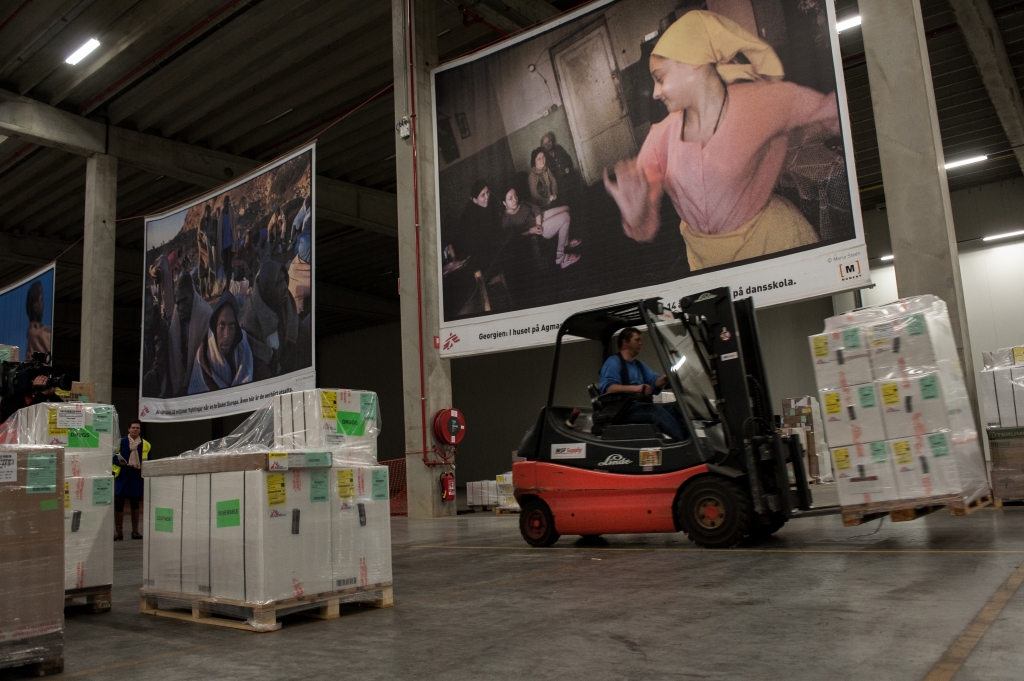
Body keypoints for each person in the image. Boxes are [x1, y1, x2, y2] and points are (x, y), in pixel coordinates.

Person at [602, 10, 839, 271]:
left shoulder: (762, 102)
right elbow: (645, 229)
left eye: (660, 78)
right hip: (706, 261)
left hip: (774, 246)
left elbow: (831, 112)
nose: (656, 93)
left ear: (693, 62)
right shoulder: (660, 136)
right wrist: (636, 215)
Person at [598, 327, 688, 442]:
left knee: (677, 407)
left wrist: (665, 378)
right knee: (654, 410)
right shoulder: (613, 362)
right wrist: (637, 389)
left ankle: (690, 438)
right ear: (625, 341)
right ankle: (684, 442)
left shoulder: (639, 365)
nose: (641, 343)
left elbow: (654, 381)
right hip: (623, 411)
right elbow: (609, 388)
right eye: (637, 340)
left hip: (640, 407)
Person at [240, 260, 299, 381]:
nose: (285, 287)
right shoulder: (251, 319)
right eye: (279, 283)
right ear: (268, 287)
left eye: (284, 280)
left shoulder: (287, 305)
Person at [189, 293, 254, 393]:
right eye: (221, 325)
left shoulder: (244, 348)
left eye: (232, 326)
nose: (226, 335)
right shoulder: (203, 358)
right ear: (214, 327)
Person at [501, 188, 580, 269]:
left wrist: (538, 223)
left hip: (540, 218)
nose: (515, 200)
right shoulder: (506, 221)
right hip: (539, 230)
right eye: (510, 198)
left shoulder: (520, 202)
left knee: (567, 208)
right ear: (504, 203)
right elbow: (516, 236)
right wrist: (530, 231)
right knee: (566, 216)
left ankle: (565, 244)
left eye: (515, 195)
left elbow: (535, 207)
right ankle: (560, 256)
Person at [167, 272, 213, 397]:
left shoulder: (206, 315)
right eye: (178, 303)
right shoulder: (175, 322)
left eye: (185, 300)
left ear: (193, 295)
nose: (181, 308)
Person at [113, 420, 149, 541]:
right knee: (118, 502)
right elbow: (112, 457)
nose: (135, 430)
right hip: (123, 476)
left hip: (136, 476)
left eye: (137, 428)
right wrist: (118, 462)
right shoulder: (120, 442)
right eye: (133, 427)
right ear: (128, 429)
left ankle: (135, 531)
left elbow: (148, 461)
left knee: (135, 504)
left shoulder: (146, 444)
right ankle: (119, 532)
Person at [25, 281, 51, 355]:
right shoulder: (36, 335)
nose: (43, 305)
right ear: (35, 305)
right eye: (41, 300)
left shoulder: (33, 334)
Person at [220, 196, 235, 287]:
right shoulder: (222, 215)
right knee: (225, 265)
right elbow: (220, 231)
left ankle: (227, 285)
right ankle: (226, 284)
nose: (226, 204)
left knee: (229, 265)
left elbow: (233, 227)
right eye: (225, 202)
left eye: (227, 202)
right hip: (224, 246)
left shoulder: (231, 214)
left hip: (230, 244)